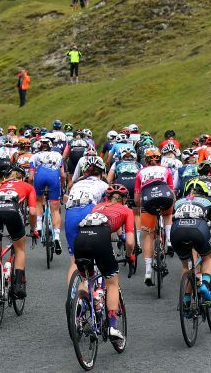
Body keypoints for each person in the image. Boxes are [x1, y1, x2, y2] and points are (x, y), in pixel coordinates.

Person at [72, 183, 133, 345]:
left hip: (81, 238)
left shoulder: (97, 207)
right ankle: (112, 327)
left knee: (86, 278)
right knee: (112, 282)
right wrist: (129, 255)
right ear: (124, 200)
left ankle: (78, 313)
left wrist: (119, 236)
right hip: (100, 240)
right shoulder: (127, 210)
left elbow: (108, 224)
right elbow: (130, 242)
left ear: (108, 198)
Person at [0, 163, 37, 299]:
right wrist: (33, 229)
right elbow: (32, 212)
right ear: (23, 177)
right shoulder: (28, 186)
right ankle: (19, 285)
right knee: (19, 248)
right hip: (12, 212)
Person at [171, 179, 211, 307]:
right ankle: (204, 284)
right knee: (209, 258)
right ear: (204, 193)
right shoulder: (208, 202)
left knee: (186, 266)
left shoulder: (178, 203)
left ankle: (186, 299)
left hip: (177, 231)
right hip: (198, 230)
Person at [134, 147, 175, 286]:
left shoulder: (140, 172)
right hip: (164, 196)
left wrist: (142, 207)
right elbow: (171, 190)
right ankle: (169, 240)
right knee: (168, 214)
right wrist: (172, 206)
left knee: (147, 235)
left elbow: (137, 199)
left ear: (146, 160)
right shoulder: (166, 170)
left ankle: (147, 271)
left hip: (148, 201)